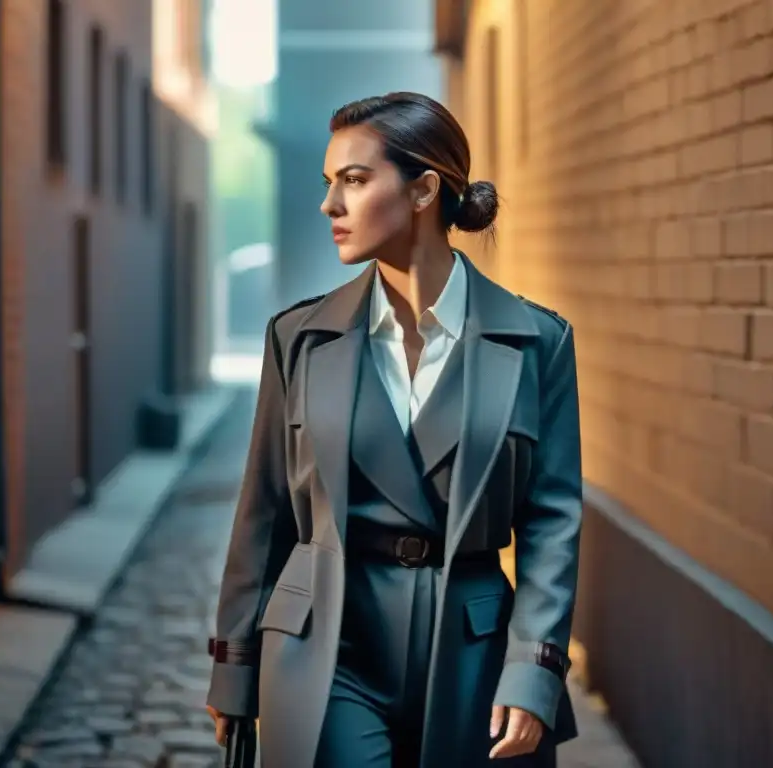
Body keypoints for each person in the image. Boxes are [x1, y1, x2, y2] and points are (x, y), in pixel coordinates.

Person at [205, 91, 583, 768]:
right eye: (330, 184)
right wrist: (234, 666)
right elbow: (262, 515)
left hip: (475, 654)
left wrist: (536, 667)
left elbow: (552, 521)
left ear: (423, 191)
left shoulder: (536, 342)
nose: (330, 206)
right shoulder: (299, 339)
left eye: (353, 180)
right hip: (326, 646)